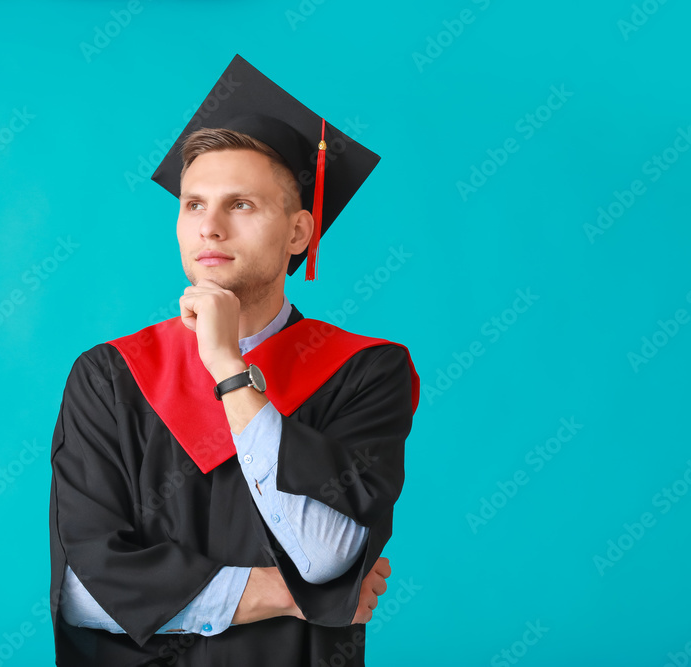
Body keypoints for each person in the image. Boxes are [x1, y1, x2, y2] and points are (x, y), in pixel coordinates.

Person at [48, 54, 420, 666]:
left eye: (241, 205)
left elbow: (324, 557)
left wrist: (228, 368)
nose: (210, 228)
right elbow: (84, 595)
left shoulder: (364, 371)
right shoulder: (109, 375)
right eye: (193, 204)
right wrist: (290, 595)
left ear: (299, 233)